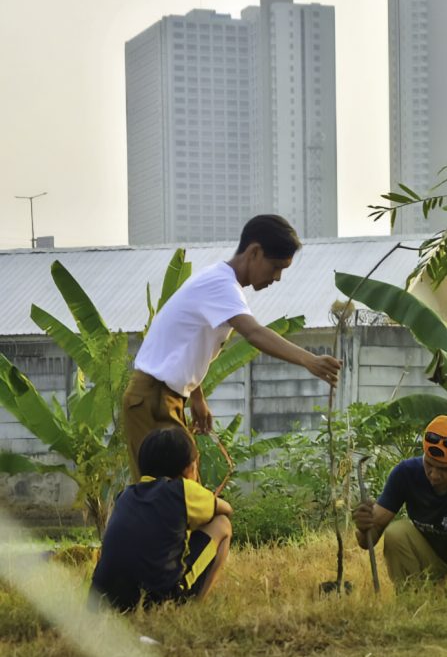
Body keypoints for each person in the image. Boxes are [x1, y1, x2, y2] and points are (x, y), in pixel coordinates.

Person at [123, 214, 342, 480]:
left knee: (178, 491)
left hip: (164, 397)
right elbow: (254, 333)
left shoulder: (217, 280)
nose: (278, 277)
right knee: (168, 495)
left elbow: (185, 344)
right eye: (275, 267)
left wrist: (197, 398)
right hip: (153, 399)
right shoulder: (221, 285)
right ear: (254, 252)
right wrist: (310, 360)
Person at [351, 415, 447, 593]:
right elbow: (368, 540)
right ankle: (412, 601)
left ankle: (433, 601)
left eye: (444, 469)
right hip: (434, 569)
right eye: (429, 465)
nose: (434, 475)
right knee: (396, 533)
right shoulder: (405, 473)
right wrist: (363, 526)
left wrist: (439, 593)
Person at [90, 427, 233, 611]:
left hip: (104, 601)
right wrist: (206, 498)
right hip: (158, 602)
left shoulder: (125, 495)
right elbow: (226, 509)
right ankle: (194, 606)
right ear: (189, 468)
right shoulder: (182, 489)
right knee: (222, 524)